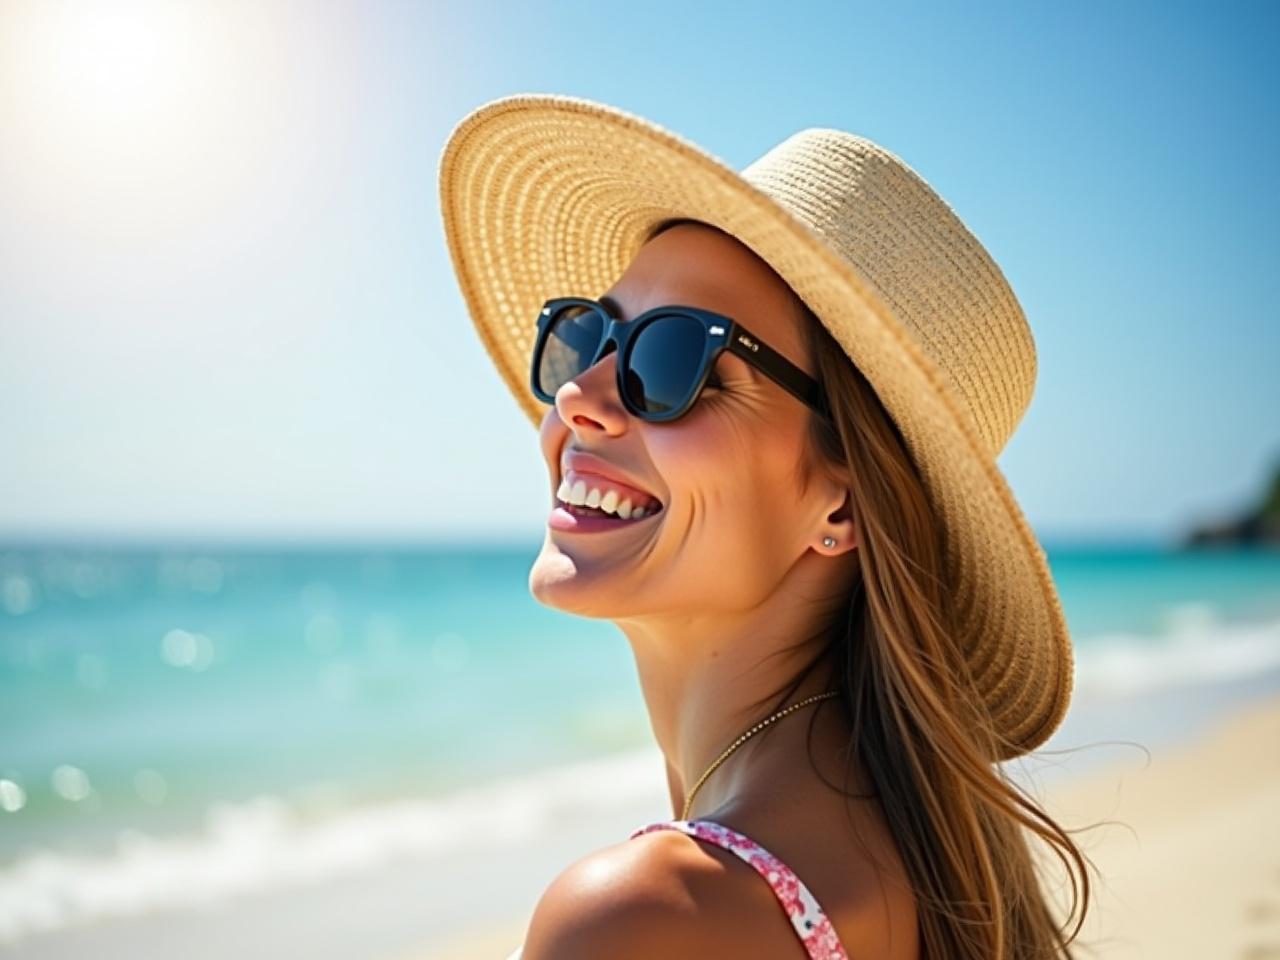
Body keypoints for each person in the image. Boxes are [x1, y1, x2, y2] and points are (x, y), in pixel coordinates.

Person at [439, 93, 1093, 959]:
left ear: (843, 505)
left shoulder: (641, 920)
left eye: (675, 361)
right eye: (588, 335)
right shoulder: (923, 863)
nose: (578, 396)